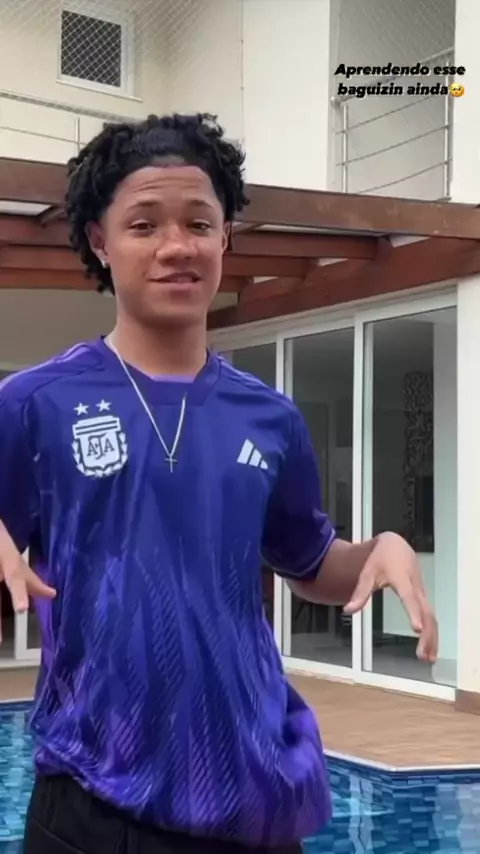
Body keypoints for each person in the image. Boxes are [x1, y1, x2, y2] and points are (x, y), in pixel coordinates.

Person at [0, 113, 437, 854]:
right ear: (101, 241)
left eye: (200, 223)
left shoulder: (270, 417)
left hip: (251, 799)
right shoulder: (34, 404)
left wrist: (378, 550)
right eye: (144, 224)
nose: (177, 246)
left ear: (225, 237)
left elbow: (311, 564)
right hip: (94, 799)